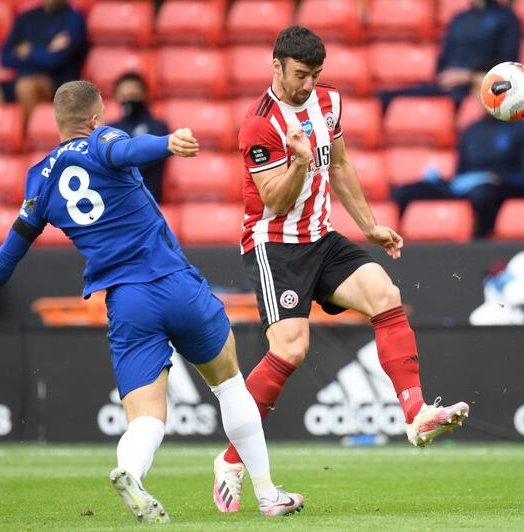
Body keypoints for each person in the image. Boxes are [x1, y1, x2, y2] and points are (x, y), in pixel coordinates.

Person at [0, 81, 303, 523]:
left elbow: (5, 256)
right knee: (228, 384)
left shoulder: (40, 181)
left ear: (56, 122)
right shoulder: (102, 141)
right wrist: (167, 143)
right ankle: (267, 495)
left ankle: (130, 471)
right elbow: (123, 152)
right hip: (174, 283)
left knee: (146, 417)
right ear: (94, 119)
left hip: (128, 303)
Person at [211, 26, 470, 513]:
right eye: (300, 75)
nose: (308, 84)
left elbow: (342, 165)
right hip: (276, 247)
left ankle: (415, 414)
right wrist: (300, 164)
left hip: (324, 238)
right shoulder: (259, 125)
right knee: (290, 349)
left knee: (385, 294)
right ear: (277, 66)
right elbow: (272, 200)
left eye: (315, 74)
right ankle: (231, 459)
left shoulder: (329, 103)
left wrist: (369, 225)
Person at [391, 112, 524, 238]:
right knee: (405, 192)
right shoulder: (471, 130)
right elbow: (460, 174)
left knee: (482, 196)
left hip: (498, 189)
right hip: (465, 188)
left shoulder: (523, 129)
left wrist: (498, 178)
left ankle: (479, 244)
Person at [0, 0, 88, 126]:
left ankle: (28, 144)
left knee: (26, 87)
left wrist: (29, 51)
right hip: (18, 81)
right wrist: (46, 49)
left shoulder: (74, 19)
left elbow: (56, 60)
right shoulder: (26, 17)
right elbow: (5, 57)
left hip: (54, 85)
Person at [377, 0, 521, 110]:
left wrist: (469, 76)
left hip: (479, 88)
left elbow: (508, 65)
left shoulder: (506, 19)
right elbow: (443, 60)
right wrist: (444, 76)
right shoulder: (459, 19)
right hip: (447, 86)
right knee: (384, 96)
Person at [109, 72, 169, 203]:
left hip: (149, 200)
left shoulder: (158, 127)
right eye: (124, 95)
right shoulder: (110, 129)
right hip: (117, 201)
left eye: (133, 94)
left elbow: (147, 157)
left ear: (144, 94)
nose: (129, 99)